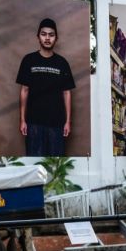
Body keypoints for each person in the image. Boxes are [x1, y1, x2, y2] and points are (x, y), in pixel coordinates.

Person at [16, 18, 75, 157]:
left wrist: (67, 122)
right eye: (44, 34)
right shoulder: (28, 60)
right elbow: (24, 90)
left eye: (51, 34)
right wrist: (23, 120)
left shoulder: (62, 63)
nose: (47, 38)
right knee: (35, 162)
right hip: (33, 122)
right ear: (38, 37)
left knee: (55, 163)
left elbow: (67, 93)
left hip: (57, 124)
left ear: (56, 38)